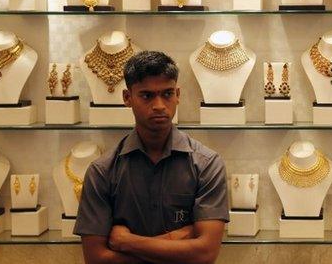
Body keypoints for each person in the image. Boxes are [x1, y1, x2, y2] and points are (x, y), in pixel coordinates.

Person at [74, 51, 229, 264]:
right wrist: (177, 239)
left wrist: (127, 241)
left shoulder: (207, 164)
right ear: (127, 98)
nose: (158, 105)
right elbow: (96, 258)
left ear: (178, 94)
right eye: (147, 95)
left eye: (167, 94)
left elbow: (206, 253)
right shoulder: (102, 171)